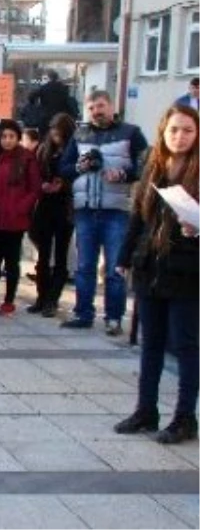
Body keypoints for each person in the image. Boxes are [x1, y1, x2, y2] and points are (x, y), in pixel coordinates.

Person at [114, 105, 200, 445]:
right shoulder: (154, 165)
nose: (180, 137)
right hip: (151, 266)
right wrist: (124, 256)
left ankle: (184, 418)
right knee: (150, 344)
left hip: (189, 270)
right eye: (174, 130)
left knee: (185, 345)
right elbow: (138, 215)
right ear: (164, 131)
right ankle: (146, 410)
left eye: (188, 130)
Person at [58, 90, 149, 334]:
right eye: (92, 108)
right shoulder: (80, 134)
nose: (97, 112)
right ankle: (83, 313)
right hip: (85, 208)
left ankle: (114, 318)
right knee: (85, 266)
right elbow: (64, 168)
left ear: (111, 106)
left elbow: (147, 164)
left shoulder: (131, 132)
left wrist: (124, 175)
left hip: (116, 208)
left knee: (114, 269)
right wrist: (79, 166)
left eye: (100, 106)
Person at [0, 119, 42, 317]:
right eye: (4, 136)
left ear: (18, 138)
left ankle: (9, 300)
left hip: (15, 219)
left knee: (12, 261)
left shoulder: (27, 158)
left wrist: (22, 208)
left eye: (11, 136)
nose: (7, 140)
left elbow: (35, 189)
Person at [28, 114, 77, 318]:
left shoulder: (73, 149)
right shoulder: (44, 149)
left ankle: (52, 300)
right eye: (54, 133)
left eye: (60, 134)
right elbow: (36, 173)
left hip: (65, 205)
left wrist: (63, 185)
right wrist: (43, 185)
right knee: (43, 253)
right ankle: (41, 296)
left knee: (60, 256)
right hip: (46, 204)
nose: (56, 137)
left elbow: (77, 174)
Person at [21, 69, 79, 136]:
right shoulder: (64, 89)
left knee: (44, 138)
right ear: (56, 77)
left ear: (48, 78)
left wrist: (36, 105)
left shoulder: (44, 88)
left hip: (45, 119)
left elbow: (31, 97)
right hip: (60, 119)